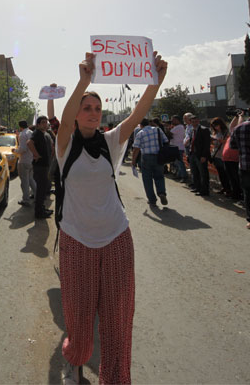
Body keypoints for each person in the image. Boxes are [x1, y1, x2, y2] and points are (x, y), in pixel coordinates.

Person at [56, 51, 167, 385]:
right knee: (78, 313)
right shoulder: (65, 145)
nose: (92, 113)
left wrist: (155, 82)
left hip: (117, 236)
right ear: (76, 114)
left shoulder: (110, 142)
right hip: (76, 239)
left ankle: (116, 378)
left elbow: (138, 114)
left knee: (118, 317)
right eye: (85, 108)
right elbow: (62, 121)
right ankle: (75, 358)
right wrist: (84, 83)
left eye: (96, 108)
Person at [131, 118, 169, 209]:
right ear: (148, 123)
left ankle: (152, 200)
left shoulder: (140, 133)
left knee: (147, 179)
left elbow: (136, 148)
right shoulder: (158, 130)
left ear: (141, 125)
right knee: (159, 176)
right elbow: (166, 141)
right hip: (158, 157)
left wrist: (133, 161)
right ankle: (161, 193)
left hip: (146, 157)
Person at [27, 116, 53, 219]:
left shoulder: (45, 134)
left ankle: (42, 208)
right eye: (42, 122)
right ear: (38, 124)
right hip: (40, 166)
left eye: (46, 122)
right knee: (41, 190)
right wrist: (36, 154)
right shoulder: (37, 133)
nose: (45, 124)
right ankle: (39, 212)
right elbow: (29, 143)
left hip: (45, 165)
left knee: (43, 190)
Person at [187, 115, 212, 196]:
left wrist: (204, 156)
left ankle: (204, 190)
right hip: (192, 154)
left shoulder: (204, 130)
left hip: (200, 155)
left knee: (203, 173)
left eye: (196, 121)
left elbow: (206, 144)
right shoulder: (191, 130)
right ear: (190, 122)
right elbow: (191, 142)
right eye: (192, 121)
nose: (194, 123)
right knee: (194, 172)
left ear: (198, 121)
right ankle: (197, 188)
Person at [209, 117, 233, 196]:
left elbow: (227, 142)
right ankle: (224, 187)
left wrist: (219, 140)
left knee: (226, 174)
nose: (215, 127)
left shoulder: (226, 132)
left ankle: (229, 189)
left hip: (224, 155)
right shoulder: (215, 133)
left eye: (216, 125)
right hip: (216, 155)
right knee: (220, 173)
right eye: (213, 126)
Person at [15, 120, 34, 207]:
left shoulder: (22, 134)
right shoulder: (31, 132)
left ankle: (26, 200)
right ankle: (38, 195)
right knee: (30, 180)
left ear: (20, 126)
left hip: (24, 161)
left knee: (24, 182)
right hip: (31, 160)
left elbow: (23, 148)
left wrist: (15, 151)